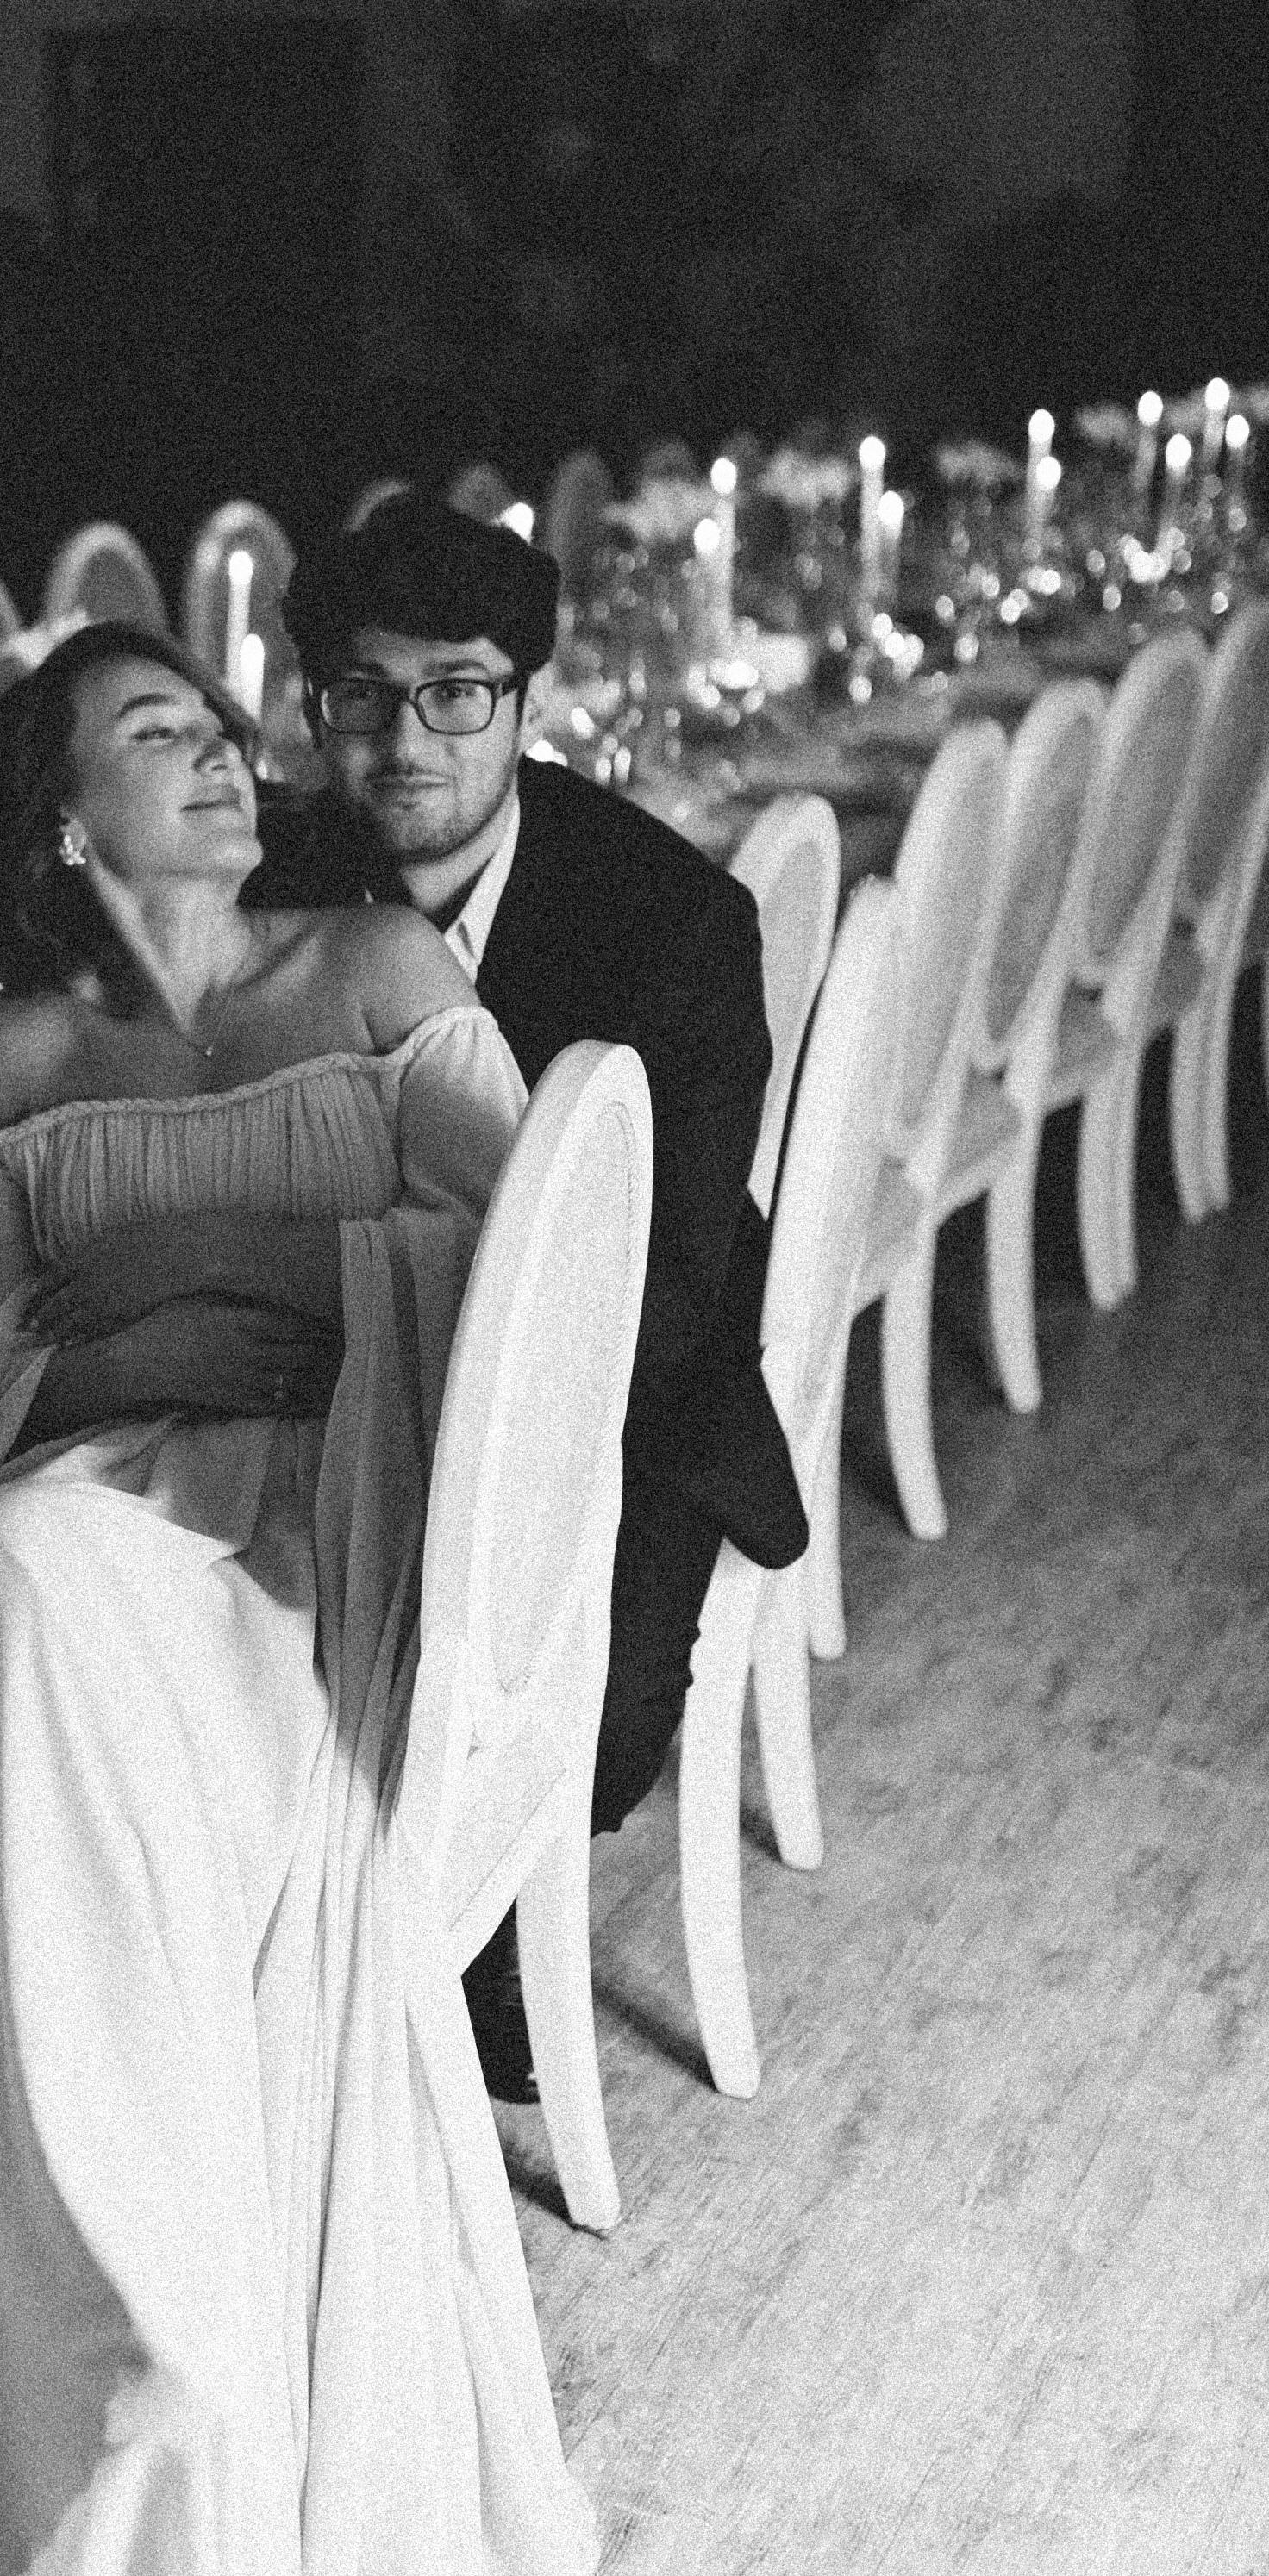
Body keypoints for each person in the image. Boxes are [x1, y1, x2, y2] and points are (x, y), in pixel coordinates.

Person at [0, 619, 710, 2576]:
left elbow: (557, 1262)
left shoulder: (372, 955)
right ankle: (128, 2326)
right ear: (65, 822)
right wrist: (186, 1317)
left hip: (341, 1518)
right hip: (83, 1525)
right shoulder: (12, 1051)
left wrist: (231, 1302)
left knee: (37, 1595)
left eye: (216, 722)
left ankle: (165, 2344)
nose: (226, 754)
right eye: (159, 736)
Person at [261, 496, 809, 2103]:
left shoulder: (674, 927)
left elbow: (669, 1294)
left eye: (459, 691)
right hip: (316, 1377)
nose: (405, 742)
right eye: (363, 696)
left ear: (527, 701)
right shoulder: (271, 872)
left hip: (612, 1419)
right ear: (315, 706)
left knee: (501, 1711)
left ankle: (442, 1945)